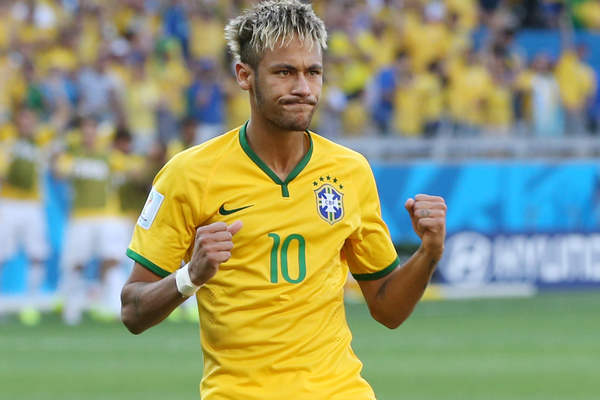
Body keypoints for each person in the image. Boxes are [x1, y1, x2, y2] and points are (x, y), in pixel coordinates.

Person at [121, 1, 446, 399]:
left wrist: (429, 251)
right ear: (245, 75)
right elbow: (133, 311)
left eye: (313, 72)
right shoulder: (188, 174)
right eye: (284, 72)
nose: (303, 88)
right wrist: (191, 275)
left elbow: (388, 309)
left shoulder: (350, 170)